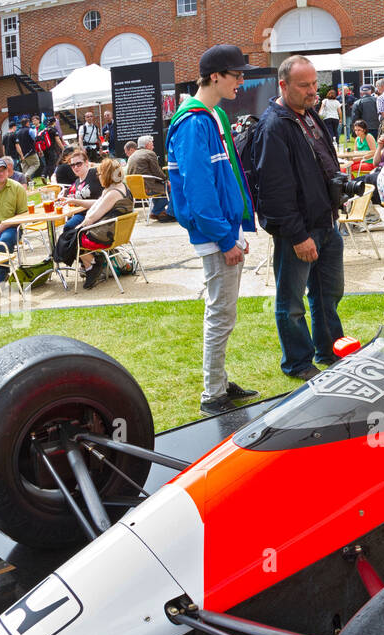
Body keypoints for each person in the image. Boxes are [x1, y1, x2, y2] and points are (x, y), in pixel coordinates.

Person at [168, 44, 261, 414]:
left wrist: (234, 231)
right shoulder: (194, 122)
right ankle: (212, 395)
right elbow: (199, 190)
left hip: (221, 230)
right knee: (221, 314)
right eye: (236, 74)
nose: (241, 80)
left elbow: (220, 182)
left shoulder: (211, 116)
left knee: (223, 312)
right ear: (215, 76)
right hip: (214, 234)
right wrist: (226, 238)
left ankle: (218, 381)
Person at [252, 54, 346, 381]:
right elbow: (274, 191)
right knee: (291, 303)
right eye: (304, 85)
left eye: (314, 84)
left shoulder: (309, 115)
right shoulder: (273, 125)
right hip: (300, 230)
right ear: (284, 85)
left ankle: (331, 349)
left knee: (328, 295)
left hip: (326, 223)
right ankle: (298, 362)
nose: (312, 91)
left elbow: (322, 164)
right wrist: (297, 236)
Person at [69, 158, 135, 288]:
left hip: (107, 236)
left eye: (99, 174)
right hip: (118, 233)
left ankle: (92, 266)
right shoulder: (121, 188)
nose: (98, 176)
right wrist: (76, 202)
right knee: (71, 233)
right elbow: (98, 203)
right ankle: (91, 264)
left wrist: (80, 227)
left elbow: (92, 217)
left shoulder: (112, 193)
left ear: (106, 174)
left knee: (71, 237)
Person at [127, 135, 174, 221]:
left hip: (135, 190)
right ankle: (166, 213)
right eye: (152, 144)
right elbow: (157, 172)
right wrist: (166, 180)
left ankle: (158, 212)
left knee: (161, 187)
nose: (153, 146)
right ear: (147, 145)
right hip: (148, 188)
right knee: (173, 187)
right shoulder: (150, 154)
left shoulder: (132, 156)